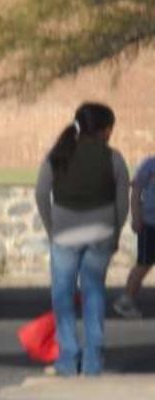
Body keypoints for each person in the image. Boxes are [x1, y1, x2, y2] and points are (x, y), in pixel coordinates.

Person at [35, 102, 129, 377]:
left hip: (64, 234)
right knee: (94, 291)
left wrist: (52, 229)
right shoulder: (114, 158)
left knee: (62, 294)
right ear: (104, 130)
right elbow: (122, 203)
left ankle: (68, 357)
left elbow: (41, 193)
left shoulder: (58, 154)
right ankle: (93, 360)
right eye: (110, 128)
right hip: (101, 234)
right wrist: (115, 234)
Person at [113, 154, 155, 319]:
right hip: (150, 224)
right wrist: (136, 217)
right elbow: (136, 191)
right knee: (144, 264)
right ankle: (125, 301)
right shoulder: (149, 165)